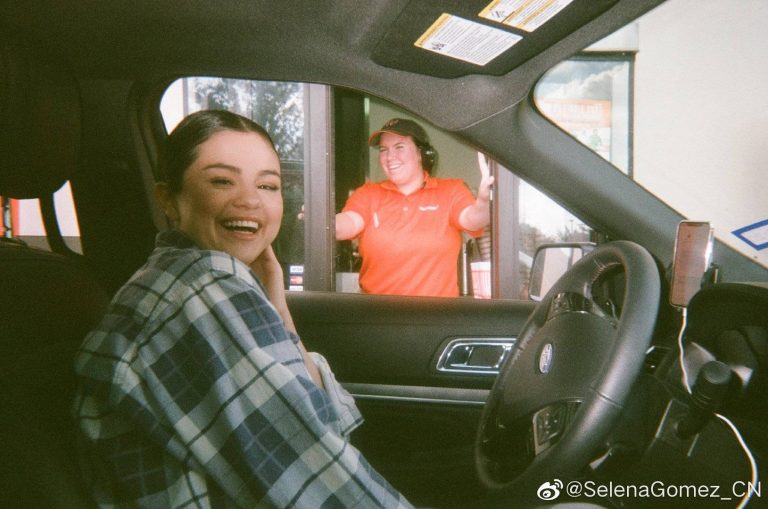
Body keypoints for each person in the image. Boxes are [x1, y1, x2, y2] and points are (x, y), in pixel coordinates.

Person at [73, 110, 411, 508]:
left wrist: (278, 306)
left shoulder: (184, 278)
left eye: (268, 185)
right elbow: (320, 480)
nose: (250, 200)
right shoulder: (203, 294)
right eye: (222, 181)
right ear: (168, 199)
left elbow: (320, 421)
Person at [336, 118, 493, 297]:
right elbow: (348, 223)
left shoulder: (451, 190)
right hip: (376, 311)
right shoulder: (368, 193)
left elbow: (473, 220)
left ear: (421, 154)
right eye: (384, 150)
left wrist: (484, 200)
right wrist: (322, 220)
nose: (390, 157)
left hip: (436, 313)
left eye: (399, 147)